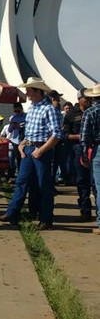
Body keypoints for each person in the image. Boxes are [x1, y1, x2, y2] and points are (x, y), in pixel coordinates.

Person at [0, 77, 64, 230]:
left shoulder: (49, 109)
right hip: (28, 148)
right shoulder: (31, 108)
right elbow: (30, 131)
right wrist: (22, 144)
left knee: (43, 185)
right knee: (21, 181)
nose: (27, 93)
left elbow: (57, 134)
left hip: (41, 150)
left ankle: (46, 219)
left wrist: (42, 149)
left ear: (38, 91)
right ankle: (12, 212)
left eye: (29, 90)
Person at [65, 89, 94, 222]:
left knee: (94, 182)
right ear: (79, 99)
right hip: (77, 149)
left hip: (93, 148)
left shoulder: (93, 112)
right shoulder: (70, 115)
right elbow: (65, 135)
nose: (89, 100)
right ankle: (85, 210)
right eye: (86, 98)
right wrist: (80, 136)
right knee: (82, 181)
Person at [80, 83, 100, 235]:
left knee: (98, 188)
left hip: (97, 149)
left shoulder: (90, 112)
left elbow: (84, 136)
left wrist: (84, 153)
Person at [5, 103, 26, 184]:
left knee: (23, 158)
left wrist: (23, 126)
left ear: (21, 109)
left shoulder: (26, 116)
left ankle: (22, 175)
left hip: (23, 139)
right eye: (15, 111)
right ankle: (19, 175)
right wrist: (13, 125)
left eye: (18, 111)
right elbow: (10, 130)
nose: (17, 112)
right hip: (15, 140)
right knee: (18, 159)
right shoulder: (13, 118)